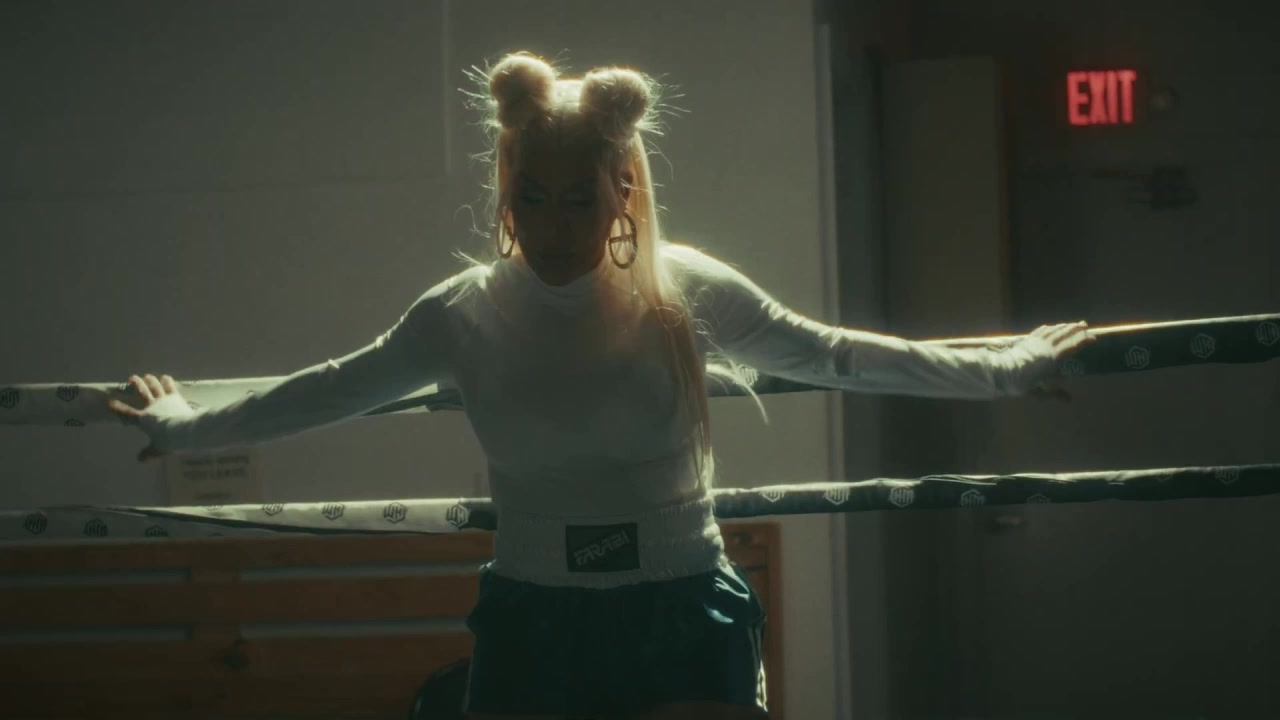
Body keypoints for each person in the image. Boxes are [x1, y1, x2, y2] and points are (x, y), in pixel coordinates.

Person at [107, 51, 1094, 719]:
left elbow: (833, 353)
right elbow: (331, 388)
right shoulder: (461, 313)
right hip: (535, 612)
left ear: (622, 189)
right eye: (531, 197)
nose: (552, 223)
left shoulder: (684, 291)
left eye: (577, 198)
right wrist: (186, 426)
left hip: (679, 602)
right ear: (506, 193)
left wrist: (1004, 368)